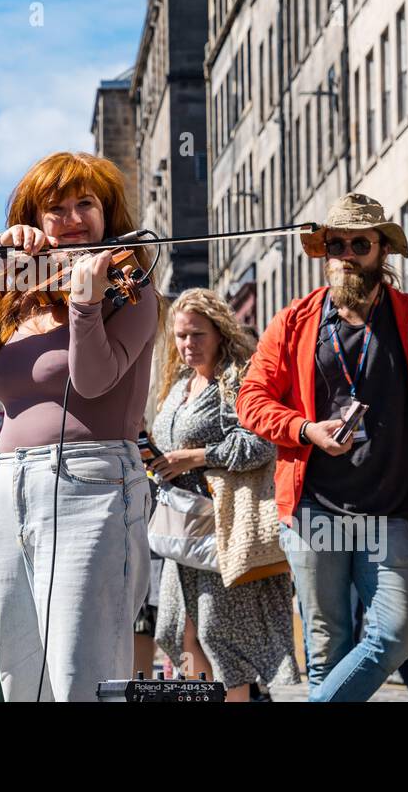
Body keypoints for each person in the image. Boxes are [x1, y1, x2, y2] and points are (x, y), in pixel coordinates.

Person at [237, 192, 408, 702]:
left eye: (359, 243)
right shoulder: (294, 323)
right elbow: (251, 401)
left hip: (386, 512)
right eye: (336, 244)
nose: (347, 253)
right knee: (328, 651)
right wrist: (306, 429)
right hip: (313, 511)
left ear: (381, 251)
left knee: (395, 634)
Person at [0, 151, 159, 702]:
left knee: (83, 674)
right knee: (22, 677)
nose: (73, 219)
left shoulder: (131, 287)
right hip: (9, 484)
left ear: (107, 213)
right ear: (35, 220)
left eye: (86, 205)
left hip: (93, 483)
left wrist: (86, 304)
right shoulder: (16, 297)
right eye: (56, 209)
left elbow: (93, 380)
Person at [150, 288, 298, 701]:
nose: (187, 344)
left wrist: (197, 457)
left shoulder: (236, 381)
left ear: (220, 333)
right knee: (177, 630)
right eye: (180, 335)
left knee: (220, 635)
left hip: (225, 524)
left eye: (197, 334)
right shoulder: (180, 384)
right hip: (181, 527)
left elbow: (261, 443)